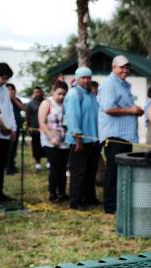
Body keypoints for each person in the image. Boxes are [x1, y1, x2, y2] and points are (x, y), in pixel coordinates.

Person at [98, 55, 144, 214]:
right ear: (113, 67)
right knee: (113, 172)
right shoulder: (110, 85)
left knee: (122, 172)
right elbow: (108, 109)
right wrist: (131, 110)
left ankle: (120, 203)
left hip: (125, 135)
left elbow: (123, 107)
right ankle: (110, 207)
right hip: (114, 135)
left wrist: (135, 110)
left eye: (127, 67)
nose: (125, 70)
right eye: (121, 67)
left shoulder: (124, 85)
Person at [64, 67, 100, 210]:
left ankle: (89, 198)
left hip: (92, 140)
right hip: (79, 141)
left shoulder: (90, 94)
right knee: (79, 173)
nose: (86, 80)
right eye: (83, 78)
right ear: (77, 79)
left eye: (88, 77)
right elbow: (73, 118)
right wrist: (78, 139)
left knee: (91, 171)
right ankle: (75, 201)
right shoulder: (74, 94)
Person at [39, 81, 69, 202]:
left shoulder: (66, 103)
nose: (61, 97)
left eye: (64, 94)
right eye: (59, 94)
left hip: (64, 141)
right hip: (50, 141)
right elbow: (42, 122)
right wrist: (51, 137)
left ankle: (62, 192)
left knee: (63, 168)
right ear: (53, 92)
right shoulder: (47, 103)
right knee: (55, 168)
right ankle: (52, 193)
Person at [0, 63, 17, 204]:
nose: (5, 81)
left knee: (0, 166)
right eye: (3, 78)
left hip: (5, 133)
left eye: (7, 79)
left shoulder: (4, 89)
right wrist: (2, 128)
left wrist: (13, 128)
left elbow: (9, 111)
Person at [5, 83, 26, 175]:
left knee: (14, 149)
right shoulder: (4, 100)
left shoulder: (16, 100)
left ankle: (12, 165)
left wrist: (13, 99)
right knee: (9, 149)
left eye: (12, 89)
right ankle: (8, 168)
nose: (10, 91)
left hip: (17, 127)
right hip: (7, 128)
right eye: (8, 89)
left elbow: (23, 108)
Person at [26, 86, 45, 172]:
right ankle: (38, 164)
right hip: (35, 129)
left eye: (38, 92)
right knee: (36, 147)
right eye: (35, 92)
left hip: (45, 129)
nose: (37, 94)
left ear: (41, 92)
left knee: (46, 146)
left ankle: (49, 162)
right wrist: (28, 128)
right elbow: (27, 117)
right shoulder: (30, 104)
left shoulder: (45, 102)